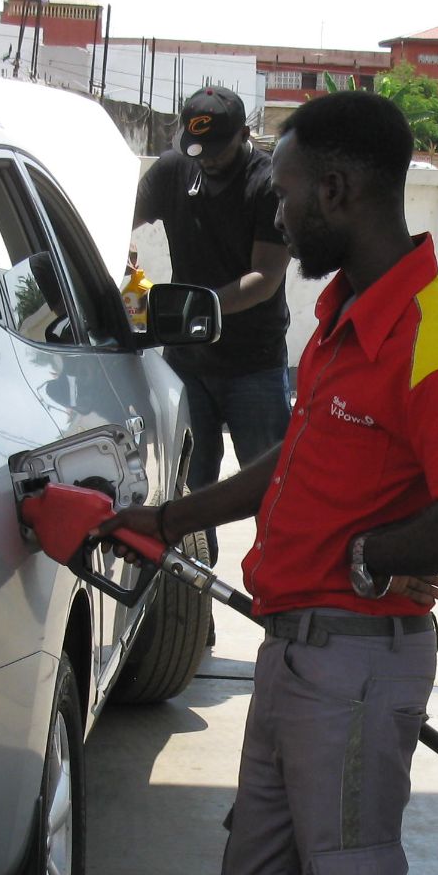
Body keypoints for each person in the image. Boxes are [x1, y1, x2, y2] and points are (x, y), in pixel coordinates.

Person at [96, 90, 438, 875]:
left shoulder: (430, 337)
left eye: (284, 196)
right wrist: (168, 520)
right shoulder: (341, 318)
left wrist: (378, 554)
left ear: (337, 189)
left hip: (359, 671)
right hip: (292, 659)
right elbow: (291, 466)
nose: (275, 216)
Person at [133, 84, 291, 563]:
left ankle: (285, 591)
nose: (207, 161)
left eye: (219, 151)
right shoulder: (175, 170)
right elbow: (118, 218)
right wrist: (109, 252)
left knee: (277, 491)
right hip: (187, 363)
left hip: (254, 366)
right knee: (185, 496)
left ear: (245, 134)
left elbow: (265, 276)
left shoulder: (268, 183)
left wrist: (195, 308)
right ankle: (192, 610)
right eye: (197, 150)